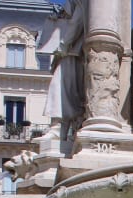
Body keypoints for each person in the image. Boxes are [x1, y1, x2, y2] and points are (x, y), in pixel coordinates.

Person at [38, 0, 86, 140]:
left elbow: (78, 20)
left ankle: (58, 128)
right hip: (69, 50)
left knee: (60, 87)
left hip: (72, 51)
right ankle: (60, 129)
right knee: (65, 89)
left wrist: (64, 43)